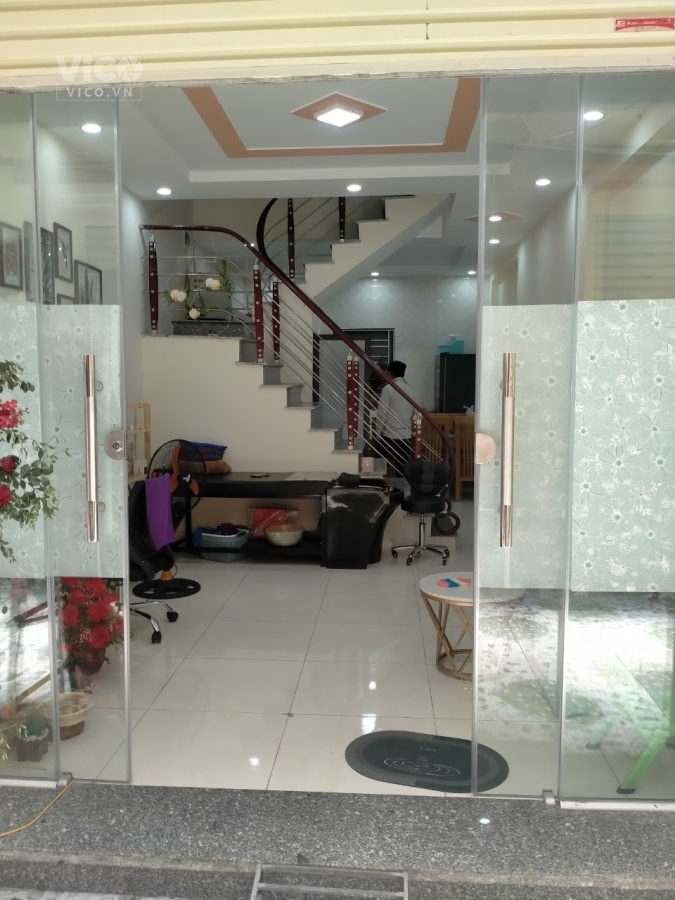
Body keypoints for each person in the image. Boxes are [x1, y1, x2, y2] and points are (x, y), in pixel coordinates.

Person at [374, 360, 419, 476]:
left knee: (378, 467)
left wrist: (376, 435)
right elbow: (416, 414)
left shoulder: (388, 389)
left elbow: (382, 413)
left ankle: (380, 486)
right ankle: (401, 487)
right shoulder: (412, 391)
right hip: (406, 436)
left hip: (388, 435)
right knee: (402, 470)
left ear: (389, 373)